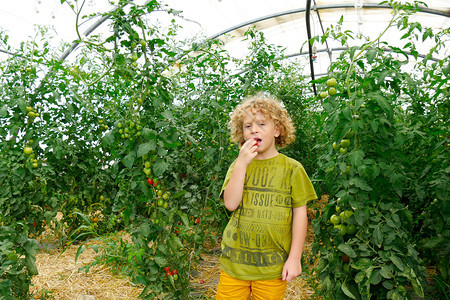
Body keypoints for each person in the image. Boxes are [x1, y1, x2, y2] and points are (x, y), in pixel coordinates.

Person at [216, 93, 317, 300]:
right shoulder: (238, 166)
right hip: (235, 265)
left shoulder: (292, 169)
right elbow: (230, 204)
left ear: (277, 130)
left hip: (272, 267)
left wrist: (295, 258)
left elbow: (300, 214)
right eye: (247, 126)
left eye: (262, 124)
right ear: (241, 134)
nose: (254, 129)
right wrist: (242, 164)